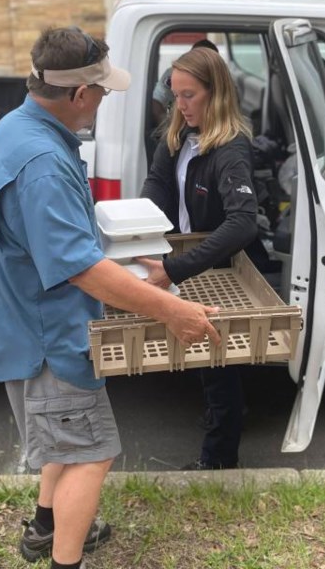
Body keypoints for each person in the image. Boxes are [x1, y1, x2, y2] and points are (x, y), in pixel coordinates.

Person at [0, 26, 221, 569]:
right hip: (47, 336)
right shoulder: (44, 165)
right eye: (101, 91)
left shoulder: (19, 127)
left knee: (64, 443)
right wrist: (173, 309)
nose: (104, 100)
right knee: (92, 454)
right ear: (79, 94)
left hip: (21, 320)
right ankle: (64, 560)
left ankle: (45, 528)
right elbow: (79, 269)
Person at [138, 45, 259, 471]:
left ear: (216, 93)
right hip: (188, 259)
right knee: (208, 362)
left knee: (217, 362)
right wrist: (139, 230)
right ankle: (223, 419)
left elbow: (244, 223)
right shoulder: (176, 135)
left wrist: (173, 268)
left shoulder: (230, 149)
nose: (180, 104)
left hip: (221, 268)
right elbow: (157, 183)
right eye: (175, 94)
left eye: (189, 95)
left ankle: (219, 461)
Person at [150, 38, 219, 128]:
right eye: (176, 95)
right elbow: (156, 103)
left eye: (188, 95)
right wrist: (168, 130)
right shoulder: (174, 74)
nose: (180, 106)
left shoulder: (221, 79)